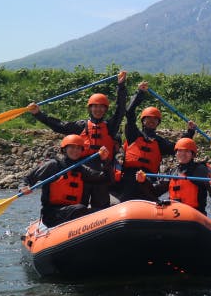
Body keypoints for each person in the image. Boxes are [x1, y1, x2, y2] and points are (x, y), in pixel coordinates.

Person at [27, 70, 128, 209]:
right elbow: (59, 126)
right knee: (80, 207)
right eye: (95, 107)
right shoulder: (81, 125)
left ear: (105, 110)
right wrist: (38, 114)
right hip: (82, 172)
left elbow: (120, 109)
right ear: (90, 109)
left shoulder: (110, 127)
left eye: (101, 107)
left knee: (101, 207)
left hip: (103, 173)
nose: (98, 110)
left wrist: (121, 86)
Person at [118, 81, 196, 202]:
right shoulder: (133, 134)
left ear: (158, 123)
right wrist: (139, 93)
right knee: (128, 194)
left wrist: (189, 132)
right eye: (148, 118)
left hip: (149, 179)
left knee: (150, 196)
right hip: (130, 177)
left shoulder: (159, 142)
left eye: (155, 119)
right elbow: (129, 112)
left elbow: (178, 147)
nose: (151, 121)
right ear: (143, 120)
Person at [20, 135, 111, 227]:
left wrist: (105, 160)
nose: (75, 151)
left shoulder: (82, 169)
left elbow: (105, 179)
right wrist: (24, 187)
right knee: (80, 209)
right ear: (64, 149)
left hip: (76, 212)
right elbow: (27, 178)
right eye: (72, 147)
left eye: (78, 148)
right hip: (53, 214)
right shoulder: (53, 165)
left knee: (103, 211)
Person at [135, 137, 211, 215]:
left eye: (187, 151)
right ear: (176, 154)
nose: (183, 154)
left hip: (195, 214)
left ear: (193, 154)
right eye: (180, 151)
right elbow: (155, 192)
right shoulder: (173, 172)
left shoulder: (200, 170)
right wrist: (143, 182)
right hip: (174, 214)